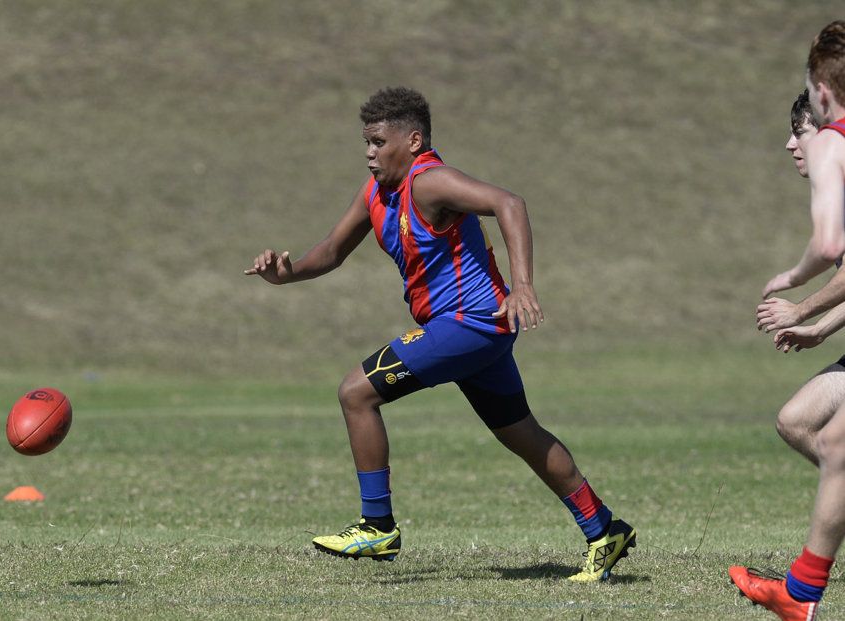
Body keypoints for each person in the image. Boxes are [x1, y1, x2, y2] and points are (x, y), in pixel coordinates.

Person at [245, 86, 634, 581]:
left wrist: (524, 287)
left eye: (377, 141)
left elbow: (509, 202)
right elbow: (333, 250)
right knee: (522, 434)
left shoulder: (430, 181)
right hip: (473, 333)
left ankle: (377, 524)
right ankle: (604, 529)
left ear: (411, 141)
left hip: (470, 325)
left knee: (355, 393)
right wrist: (289, 271)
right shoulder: (378, 193)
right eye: (364, 142)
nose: (368, 152)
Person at [732, 21, 845, 620]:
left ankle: (800, 595)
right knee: (804, 424)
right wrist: (818, 330)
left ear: (822, 96)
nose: (792, 145)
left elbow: (833, 252)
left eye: (797, 130)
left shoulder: (834, 142)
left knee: (835, 443)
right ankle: (802, 592)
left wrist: (797, 294)